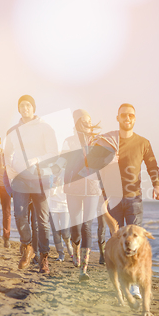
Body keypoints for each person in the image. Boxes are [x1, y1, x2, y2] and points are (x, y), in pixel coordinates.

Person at [87, 103, 159, 297]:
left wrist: (157, 184)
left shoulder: (143, 142)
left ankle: (135, 284)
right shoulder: (108, 141)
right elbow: (90, 161)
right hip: (111, 197)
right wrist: (108, 157)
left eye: (131, 115)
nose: (127, 118)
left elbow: (152, 165)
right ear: (118, 118)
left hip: (133, 198)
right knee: (116, 241)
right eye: (123, 115)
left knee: (135, 241)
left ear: (135, 118)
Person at [4, 95, 59, 274]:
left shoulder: (45, 127)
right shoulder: (12, 131)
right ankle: (27, 246)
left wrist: (37, 159)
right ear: (18, 109)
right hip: (20, 178)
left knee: (42, 221)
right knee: (19, 215)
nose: (25, 108)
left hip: (39, 177)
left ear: (33, 108)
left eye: (28, 105)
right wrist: (10, 168)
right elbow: (8, 153)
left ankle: (44, 257)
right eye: (22, 105)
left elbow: (53, 153)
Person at [58, 109, 101, 281]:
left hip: (92, 188)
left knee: (87, 226)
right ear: (77, 123)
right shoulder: (69, 141)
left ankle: (84, 268)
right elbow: (63, 160)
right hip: (73, 188)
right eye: (84, 121)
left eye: (90, 121)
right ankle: (75, 247)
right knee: (76, 227)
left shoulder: (97, 141)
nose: (88, 124)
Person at [48, 171, 73, 261]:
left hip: (65, 206)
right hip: (52, 207)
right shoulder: (50, 174)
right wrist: (54, 184)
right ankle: (61, 254)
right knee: (56, 233)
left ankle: (68, 244)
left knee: (65, 232)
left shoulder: (66, 172)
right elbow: (49, 193)